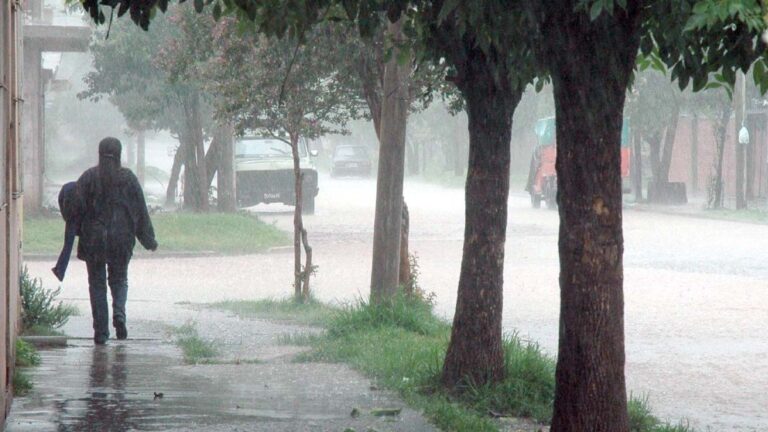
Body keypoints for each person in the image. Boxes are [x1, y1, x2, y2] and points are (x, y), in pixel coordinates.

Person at [76, 137, 157, 344]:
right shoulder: (128, 179)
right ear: (119, 155)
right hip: (122, 237)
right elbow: (140, 210)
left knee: (97, 284)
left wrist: (77, 231)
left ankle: (101, 332)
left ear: (99, 153)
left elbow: (75, 208)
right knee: (119, 279)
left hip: (94, 239)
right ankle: (119, 313)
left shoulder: (88, 178)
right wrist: (148, 239)